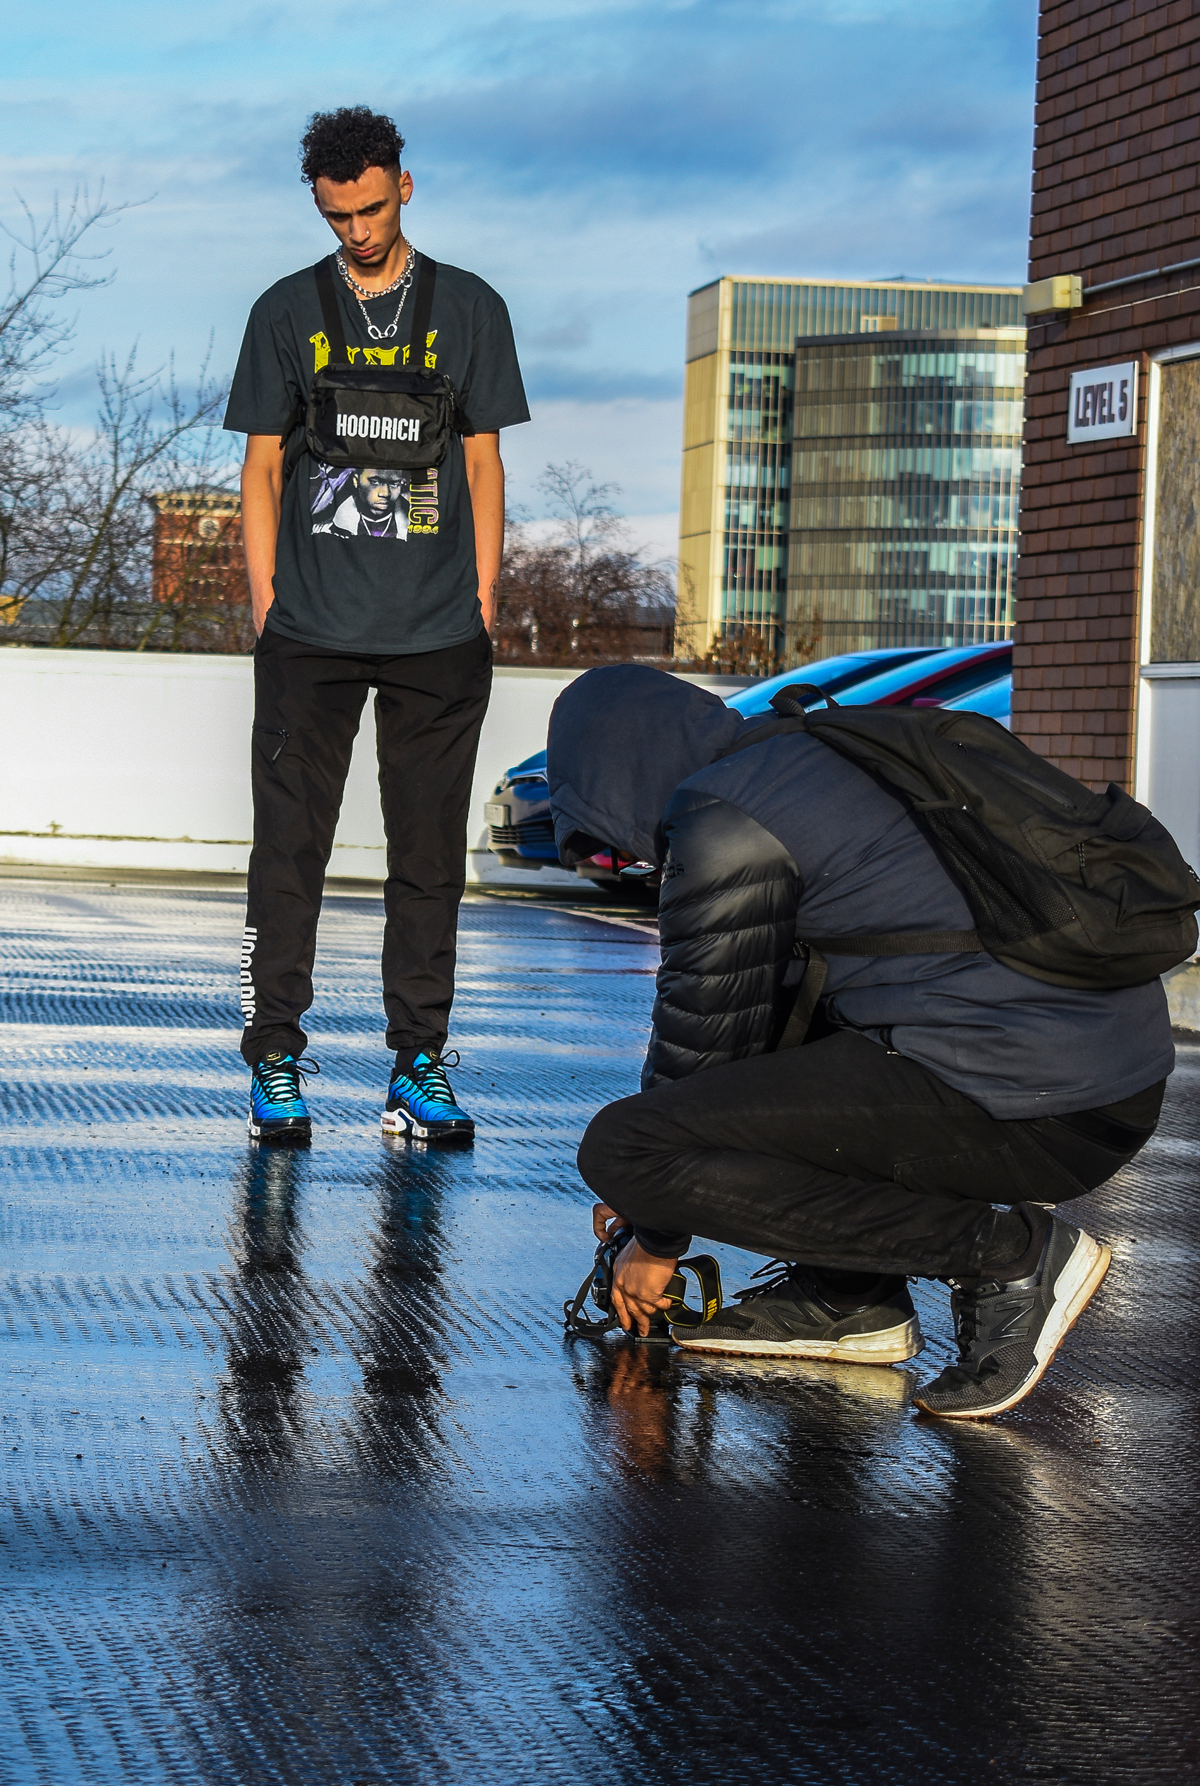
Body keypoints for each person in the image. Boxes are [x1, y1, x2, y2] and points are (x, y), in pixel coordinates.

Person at [548, 666, 1173, 1421]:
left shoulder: (723, 820)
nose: (633, 861)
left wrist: (652, 1232)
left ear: (616, 773)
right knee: (776, 1038)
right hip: (1097, 1076)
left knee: (627, 1149)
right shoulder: (807, 754)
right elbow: (763, 1027)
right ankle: (848, 1298)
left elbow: (701, 1043)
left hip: (1034, 1098)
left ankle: (1011, 1257)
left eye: (609, 840)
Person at [225, 105, 529, 1145]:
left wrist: (484, 599)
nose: (355, 231)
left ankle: (420, 1065)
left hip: (439, 634)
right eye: (335, 214)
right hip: (309, 631)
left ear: (405, 186)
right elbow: (262, 464)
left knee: (428, 853)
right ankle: (275, 1058)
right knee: (290, 848)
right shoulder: (285, 310)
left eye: (369, 207)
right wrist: (266, 601)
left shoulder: (471, 307)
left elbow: (484, 460)